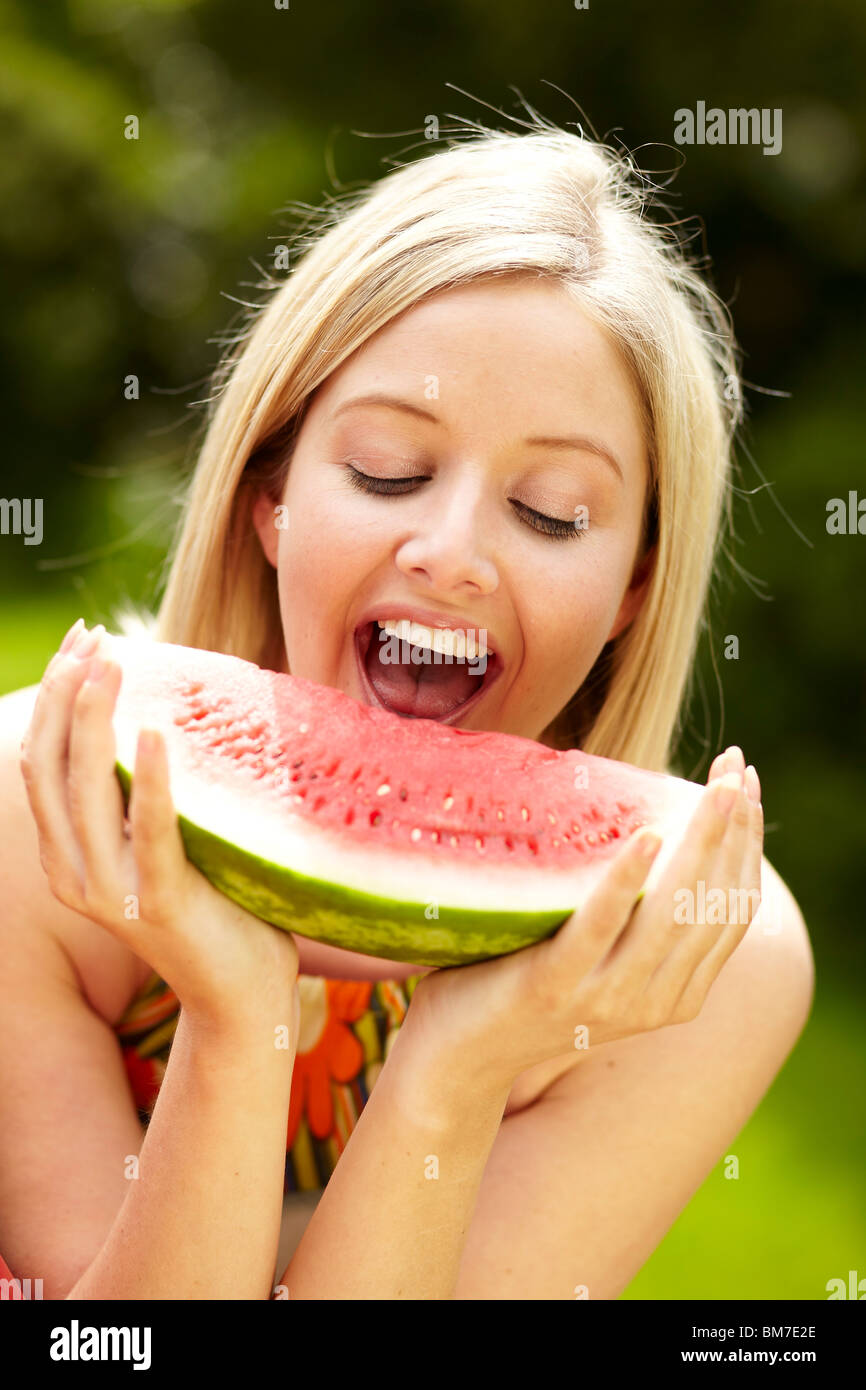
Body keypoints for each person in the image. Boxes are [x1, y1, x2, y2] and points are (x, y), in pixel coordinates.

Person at [0, 119, 814, 1301]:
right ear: (268, 496)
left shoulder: (702, 959)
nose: (451, 554)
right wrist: (236, 1017)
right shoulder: (42, 810)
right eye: (386, 468)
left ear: (634, 588)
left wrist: (454, 1067)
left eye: (549, 512)